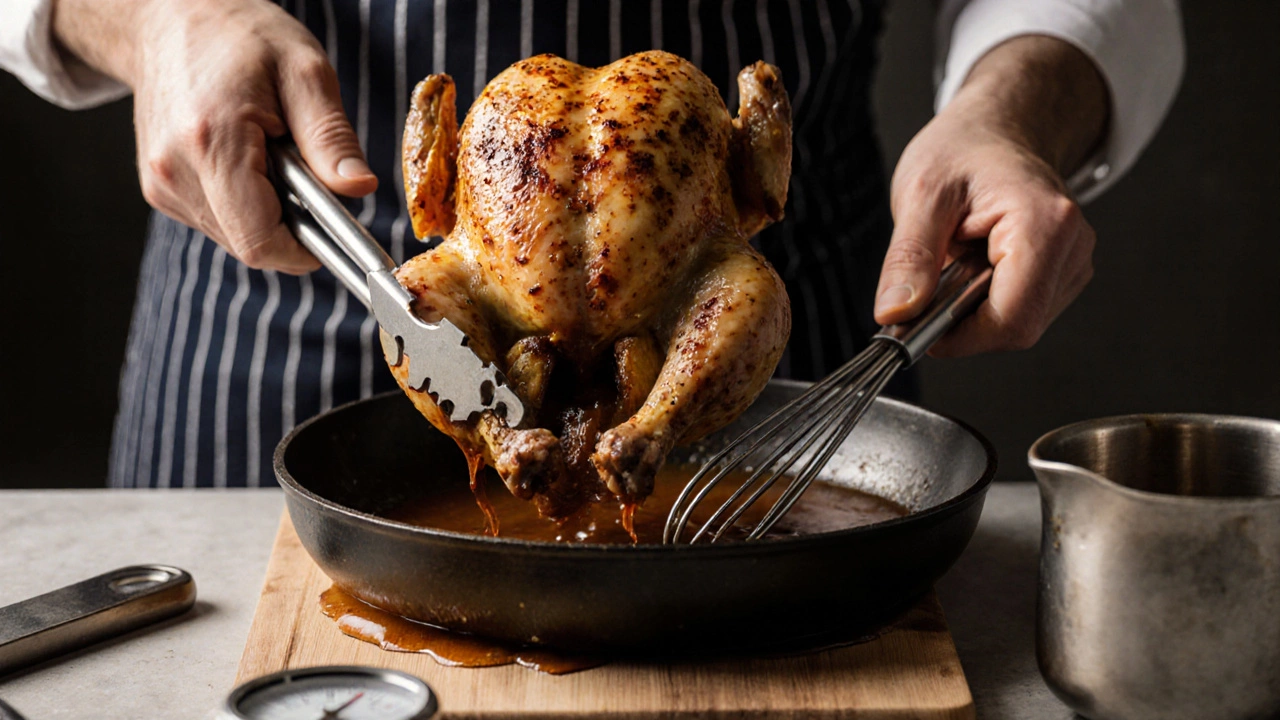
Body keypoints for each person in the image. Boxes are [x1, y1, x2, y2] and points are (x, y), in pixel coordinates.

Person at [0, 0, 1183, 489]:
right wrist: (158, 18)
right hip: (284, 274)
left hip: (778, 380)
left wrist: (1007, 112)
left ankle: (650, 428)